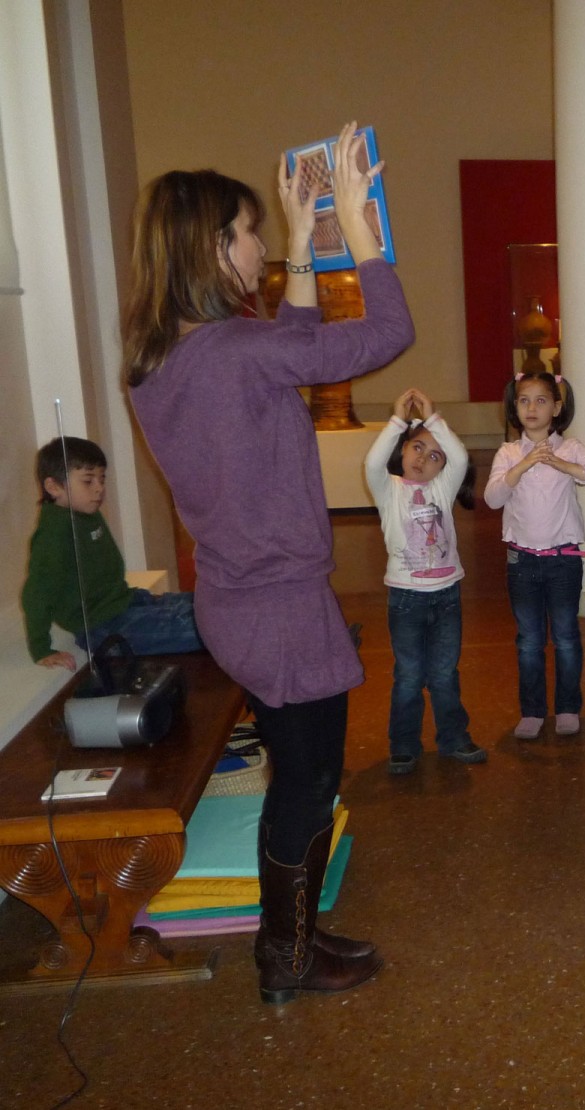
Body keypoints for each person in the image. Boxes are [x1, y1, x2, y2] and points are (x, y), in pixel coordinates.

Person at [123, 123, 414, 1004]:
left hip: (238, 600)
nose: (258, 246)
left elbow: (276, 361)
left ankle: (291, 937)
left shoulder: (170, 358)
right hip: (280, 606)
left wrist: (294, 242)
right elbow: (384, 333)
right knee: (309, 782)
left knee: (301, 776)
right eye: (249, 232)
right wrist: (357, 230)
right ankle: (284, 958)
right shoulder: (236, 353)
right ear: (216, 247)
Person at [365, 387, 484, 775]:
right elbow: (371, 463)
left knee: (445, 673)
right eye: (417, 448)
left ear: (441, 469)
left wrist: (434, 419)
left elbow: (461, 458)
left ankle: (453, 738)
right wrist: (399, 419)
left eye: (435, 456)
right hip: (406, 599)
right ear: (402, 451)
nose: (423, 459)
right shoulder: (390, 491)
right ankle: (403, 745)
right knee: (409, 675)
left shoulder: (441, 489)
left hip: (447, 595)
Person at [484, 369, 585, 739]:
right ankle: (533, 711)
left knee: (567, 637)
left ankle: (568, 707)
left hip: (562, 560)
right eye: (524, 401)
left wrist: (565, 465)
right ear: (515, 407)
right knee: (529, 640)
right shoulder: (508, 452)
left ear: (556, 407)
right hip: (521, 562)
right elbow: (492, 498)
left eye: (541, 400)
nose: (532, 408)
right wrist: (523, 465)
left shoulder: (569, 448)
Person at [22, 436, 203, 670]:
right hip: (102, 628)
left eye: (101, 479)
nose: (99, 488)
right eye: (88, 481)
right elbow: (35, 594)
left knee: (203, 603)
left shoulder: (85, 512)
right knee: (200, 629)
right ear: (53, 487)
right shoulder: (53, 535)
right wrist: (41, 649)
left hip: (124, 602)